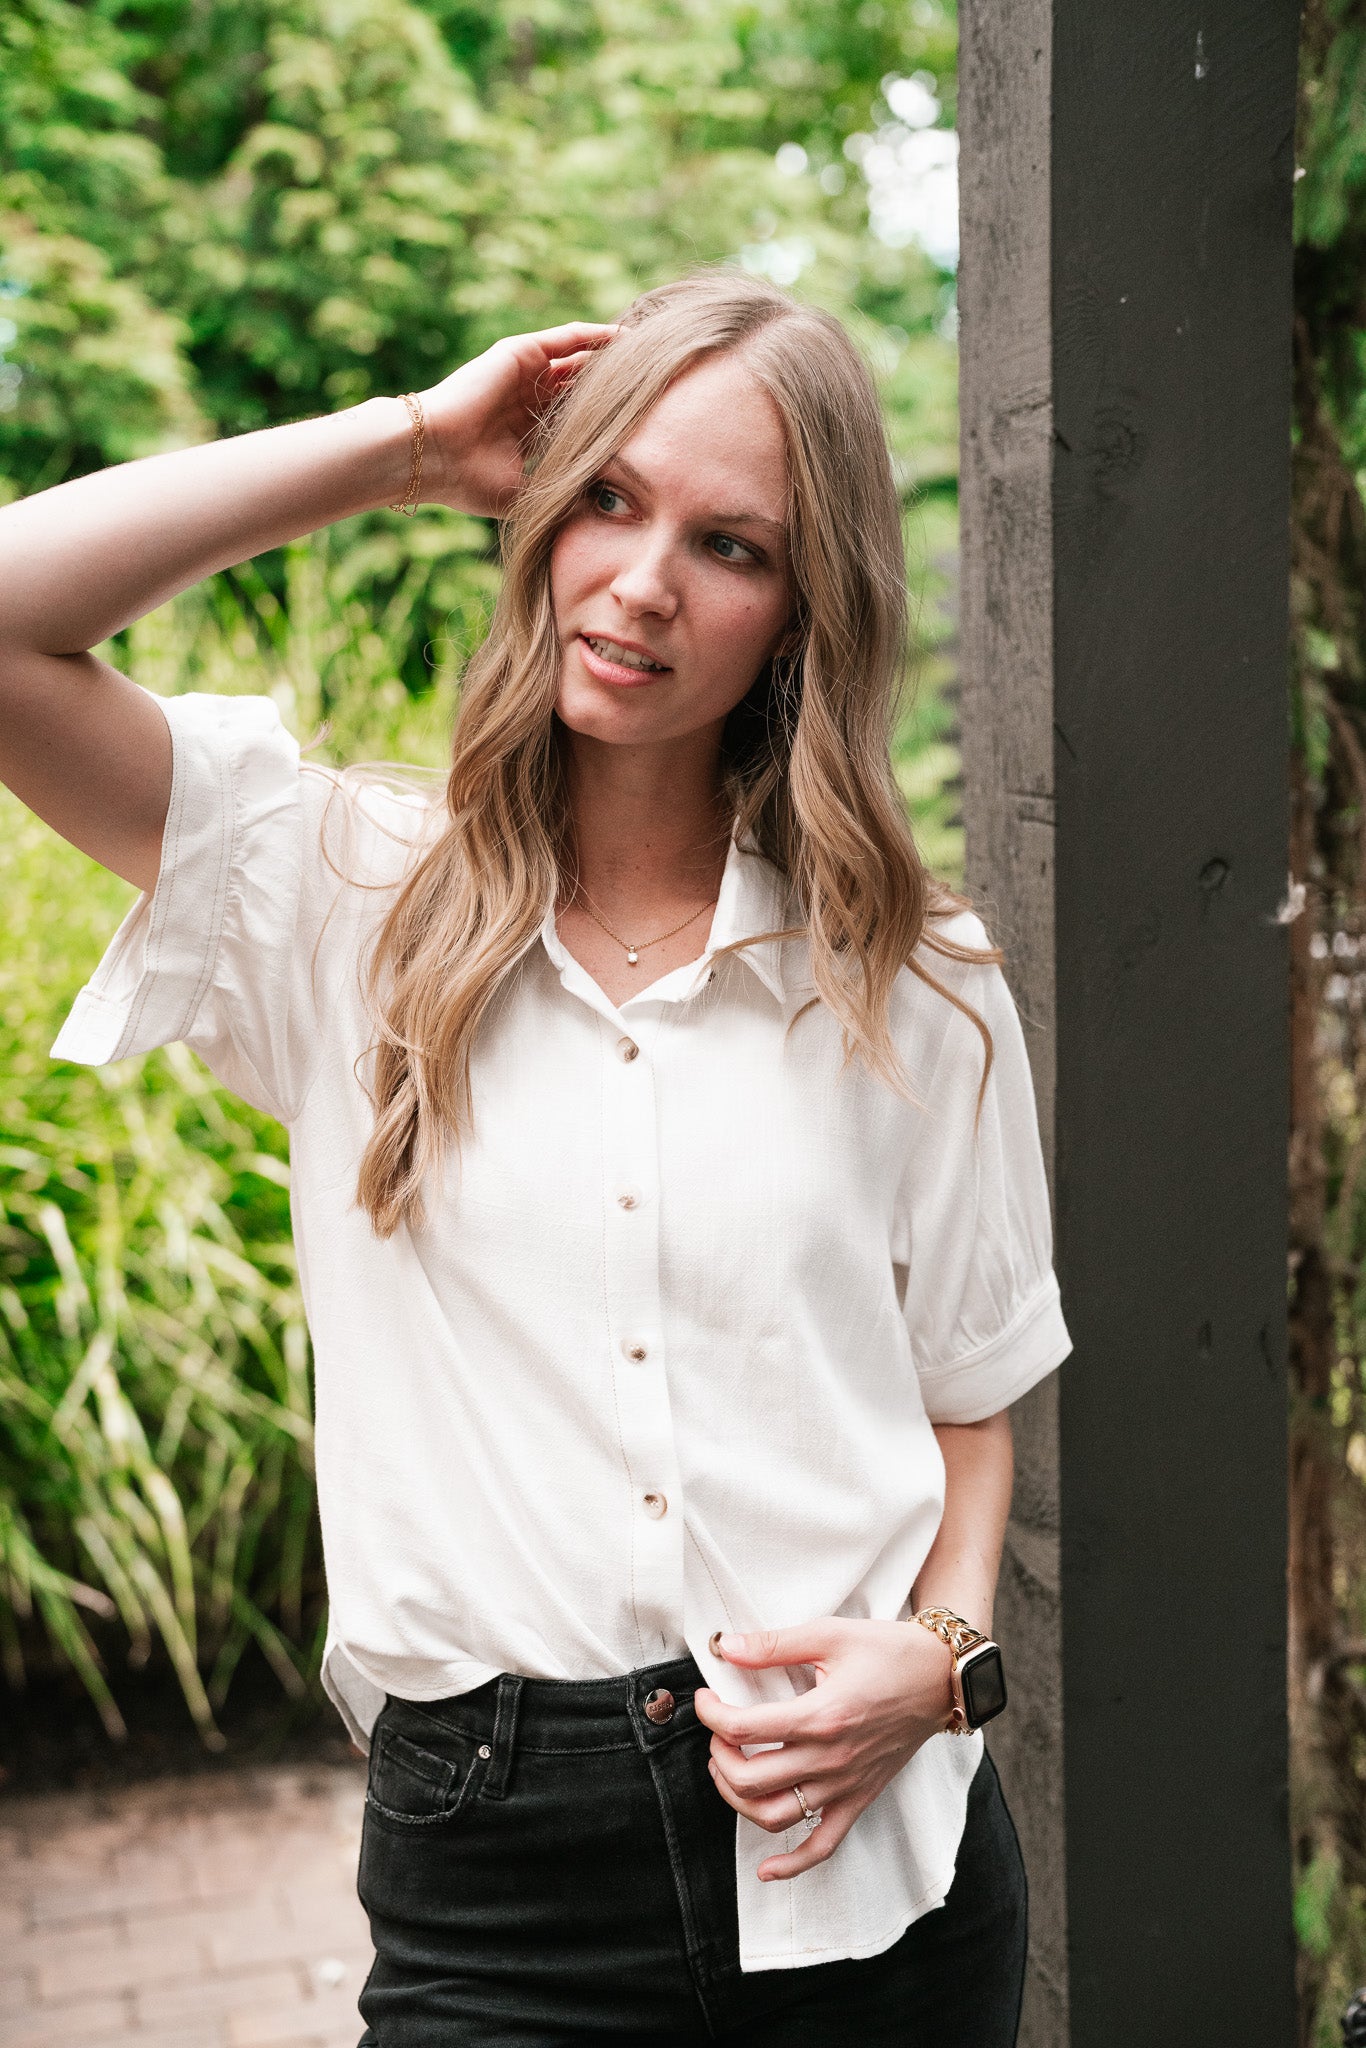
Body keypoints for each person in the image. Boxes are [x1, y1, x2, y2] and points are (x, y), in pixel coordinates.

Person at [0, 271, 1071, 2045]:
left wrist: (941, 1666)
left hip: (861, 1856)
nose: (643, 584)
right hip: (491, 1873)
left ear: (804, 610)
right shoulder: (338, 894)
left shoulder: (913, 976)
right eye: (607, 498)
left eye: (730, 545)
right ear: (542, 515)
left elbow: (969, 1392)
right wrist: (413, 446)